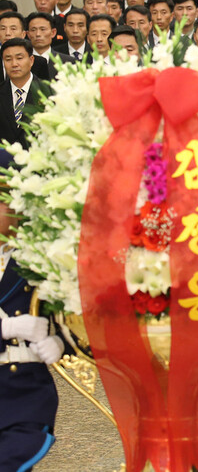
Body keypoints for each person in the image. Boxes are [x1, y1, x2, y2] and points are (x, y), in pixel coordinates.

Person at [0, 150, 65, 471]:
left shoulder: (42, 260)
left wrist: (61, 343)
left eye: (9, 200)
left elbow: (76, 319)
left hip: (22, 398)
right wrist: (6, 329)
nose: (6, 210)